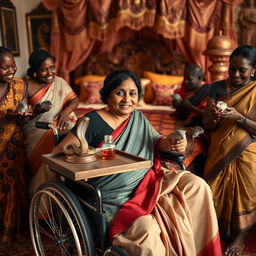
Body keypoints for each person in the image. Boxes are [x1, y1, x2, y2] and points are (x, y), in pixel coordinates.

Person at [54, 69, 222, 255]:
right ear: (107, 94)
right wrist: (87, 158)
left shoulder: (137, 118)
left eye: (132, 93)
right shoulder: (91, 121)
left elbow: (157, 141)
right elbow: (60, 153)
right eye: (120, 93)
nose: (127, 99)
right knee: (146, 228)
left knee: (198, 186)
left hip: (148, 180)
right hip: (115, 194)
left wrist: (172, 140)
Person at [202, 45, 256, 256]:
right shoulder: (216, 88)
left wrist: (239, 118)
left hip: (247, 152)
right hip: (219, 150)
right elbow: (207, 124)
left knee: (246, 194)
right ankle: (217, 230)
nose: (235, 74)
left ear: (253, 69)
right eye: (231, 69)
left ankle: (240, 236)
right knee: (213, 191)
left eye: (242, 70)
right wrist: (214, 118)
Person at [23, 49, 79, 195]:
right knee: (39, 171)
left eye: (52, 68)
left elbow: (74, 99)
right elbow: (23, 114)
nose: (49, 73)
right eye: (43, 70)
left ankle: (62, 201)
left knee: (62, 167)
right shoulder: (25, 86)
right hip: (35, 135)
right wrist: (36, 111)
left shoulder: (59, 82)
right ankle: (40, 206)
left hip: (60, 132)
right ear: (35, 71)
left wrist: (66, 112)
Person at [0, 47, 29, 242]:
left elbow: (23, 119)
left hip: (14, 145)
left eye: (13, 65)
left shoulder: (20, 85)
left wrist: (22, 116)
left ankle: (12, 231)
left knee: (13, 187)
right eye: (4, 68)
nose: (12, 70)